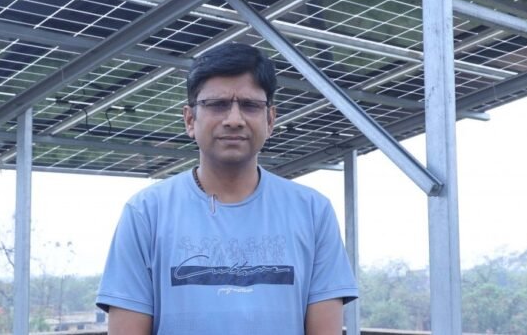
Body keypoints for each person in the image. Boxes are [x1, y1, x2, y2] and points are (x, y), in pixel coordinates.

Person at [96, 42, 358, 334]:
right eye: (217, 105)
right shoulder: (146, 213)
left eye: (250, 105)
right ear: (190, 119)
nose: (234, 120)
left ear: (270, 119)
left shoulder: (312, 212)